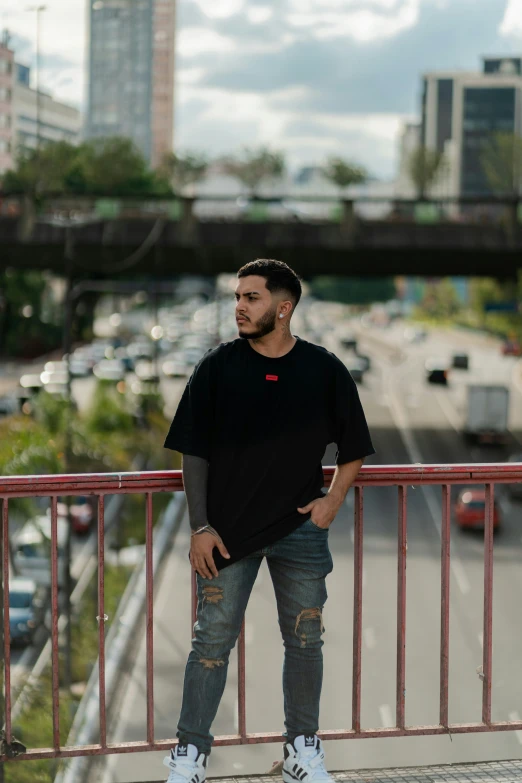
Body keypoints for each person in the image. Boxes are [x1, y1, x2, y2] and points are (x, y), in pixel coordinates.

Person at [163, 259, 374, 783]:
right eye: (238, 295)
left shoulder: (324, 370)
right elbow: (193, 452)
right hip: (225, 537)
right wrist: (199, 526)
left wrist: (331, 502)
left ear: (283, 308)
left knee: (305, 642)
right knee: (210, 644)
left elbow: (355, 450)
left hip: (300, 533)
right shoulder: (216, 367)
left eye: (251, 297)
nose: (239, 305)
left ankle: (303, 750)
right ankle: (190, 757)